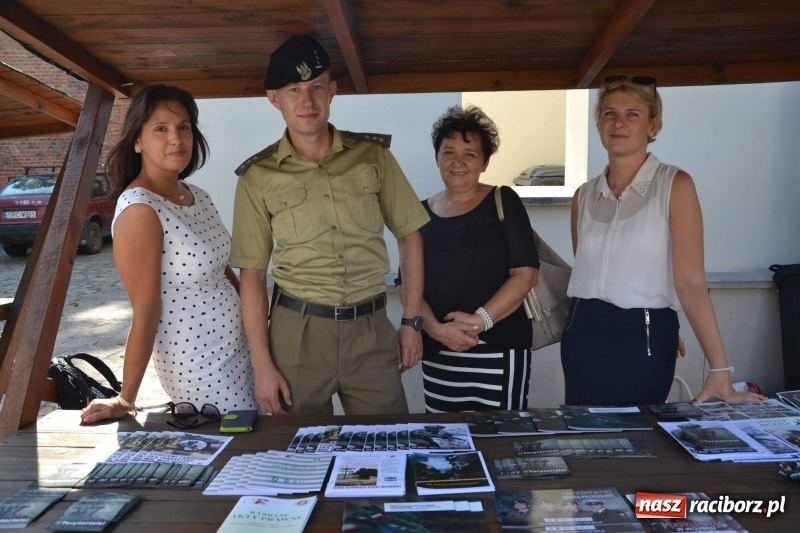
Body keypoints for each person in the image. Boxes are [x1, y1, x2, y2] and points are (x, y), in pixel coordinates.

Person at [231, 35, 429, 416]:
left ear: (332, 91)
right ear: (275, 98)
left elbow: (410, 235)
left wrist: (412, 320)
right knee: (299, 455)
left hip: (370, 329)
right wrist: (262, 364)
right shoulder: (257, 176)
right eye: (293, 90)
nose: (307, 101)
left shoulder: (372, 156)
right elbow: (252, 275)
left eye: (316, 87)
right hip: (298, 332)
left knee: (388, 445)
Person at [561, 74, 767, 406]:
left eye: (633, 114)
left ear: (652, 125)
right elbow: (594, 268)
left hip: (643, 335)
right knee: (586, 438)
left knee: (639, 442)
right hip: (583, 332)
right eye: (610, 113)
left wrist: (719, 369)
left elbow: (691, 283)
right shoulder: (584, 196)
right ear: (598, 123)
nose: (619, 123)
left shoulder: (675, 185)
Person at [81, 84, 257, 424]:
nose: (176, 138)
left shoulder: (197, 196)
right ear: (137, 140)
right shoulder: (140, 209)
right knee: (238, 448)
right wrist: (125, 398)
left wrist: (257, 335)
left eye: (183, 127)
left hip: (242, 350)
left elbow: (223, 270)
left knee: (257, 437)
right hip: (201, 365)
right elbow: (145, 310)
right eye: (160, 128)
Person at [396, 105, 539, 412]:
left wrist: (478, 323)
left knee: (499, 442)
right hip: (440, 353)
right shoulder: (419, 214)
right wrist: (434, 329)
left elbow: (525, 274)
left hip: (499, 350)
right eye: (448, 152)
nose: (458, 162)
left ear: (485, 162)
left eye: (470, 154)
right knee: (444, 445)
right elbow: (407, 284)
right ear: (437, 158)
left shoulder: (504, 201)